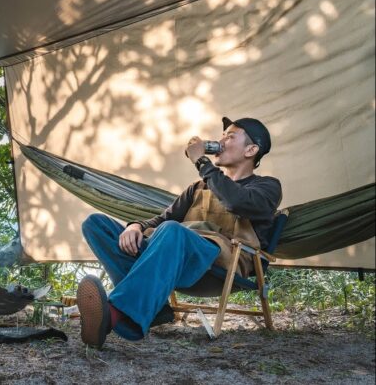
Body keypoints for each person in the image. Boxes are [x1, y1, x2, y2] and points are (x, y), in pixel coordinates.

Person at [76, 117, 282, 348]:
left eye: (230, 136)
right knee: (96, 224)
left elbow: (236, 202)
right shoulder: (198, 188)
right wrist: (135, 226)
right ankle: (154, 308)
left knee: (173, 231)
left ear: (251, 150)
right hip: (170, 259)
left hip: (218, 266)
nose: (221, 140)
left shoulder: (267, 187)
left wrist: (202, 162)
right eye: (222, 135)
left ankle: (115, 315)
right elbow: (163, 219)